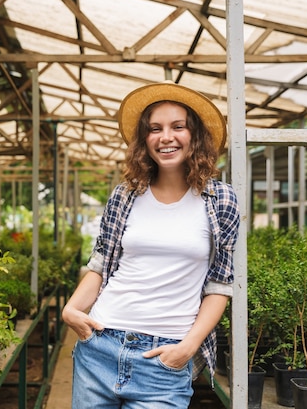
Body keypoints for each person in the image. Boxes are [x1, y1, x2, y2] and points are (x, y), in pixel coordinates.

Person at [62, 81, 240, 409]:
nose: (166, 137)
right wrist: (71, 310)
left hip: (164, 360)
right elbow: (101, 262)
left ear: (195, 136)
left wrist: (187, 347)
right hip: (100, 345)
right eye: (155, 128)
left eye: (178, 127)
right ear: (145, 139)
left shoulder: (220, 200)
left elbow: (220, 285)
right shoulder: (126, 195)